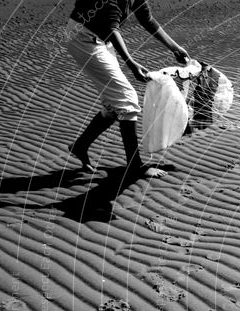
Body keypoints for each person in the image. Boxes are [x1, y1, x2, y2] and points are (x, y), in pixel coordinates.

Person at [65, 0, 190, 178]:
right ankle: (135, 166)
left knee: (114, 104)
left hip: (99, 37)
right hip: (83, 38)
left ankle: (80, 146)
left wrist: (175, 48)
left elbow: (147, 19)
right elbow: (112, 30)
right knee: (128, 100)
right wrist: (131, 63)